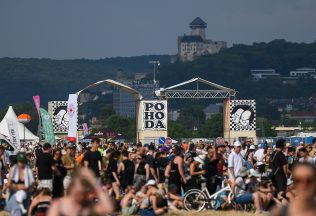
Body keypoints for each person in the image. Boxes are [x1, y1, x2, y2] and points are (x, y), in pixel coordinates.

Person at [47, 168, 113, 216]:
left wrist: (93, 181)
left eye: (84, 192)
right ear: (71, 188)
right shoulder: (58, 205)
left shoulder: (86, 206)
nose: (81, 195)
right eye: (79, 192)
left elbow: (108, 208)